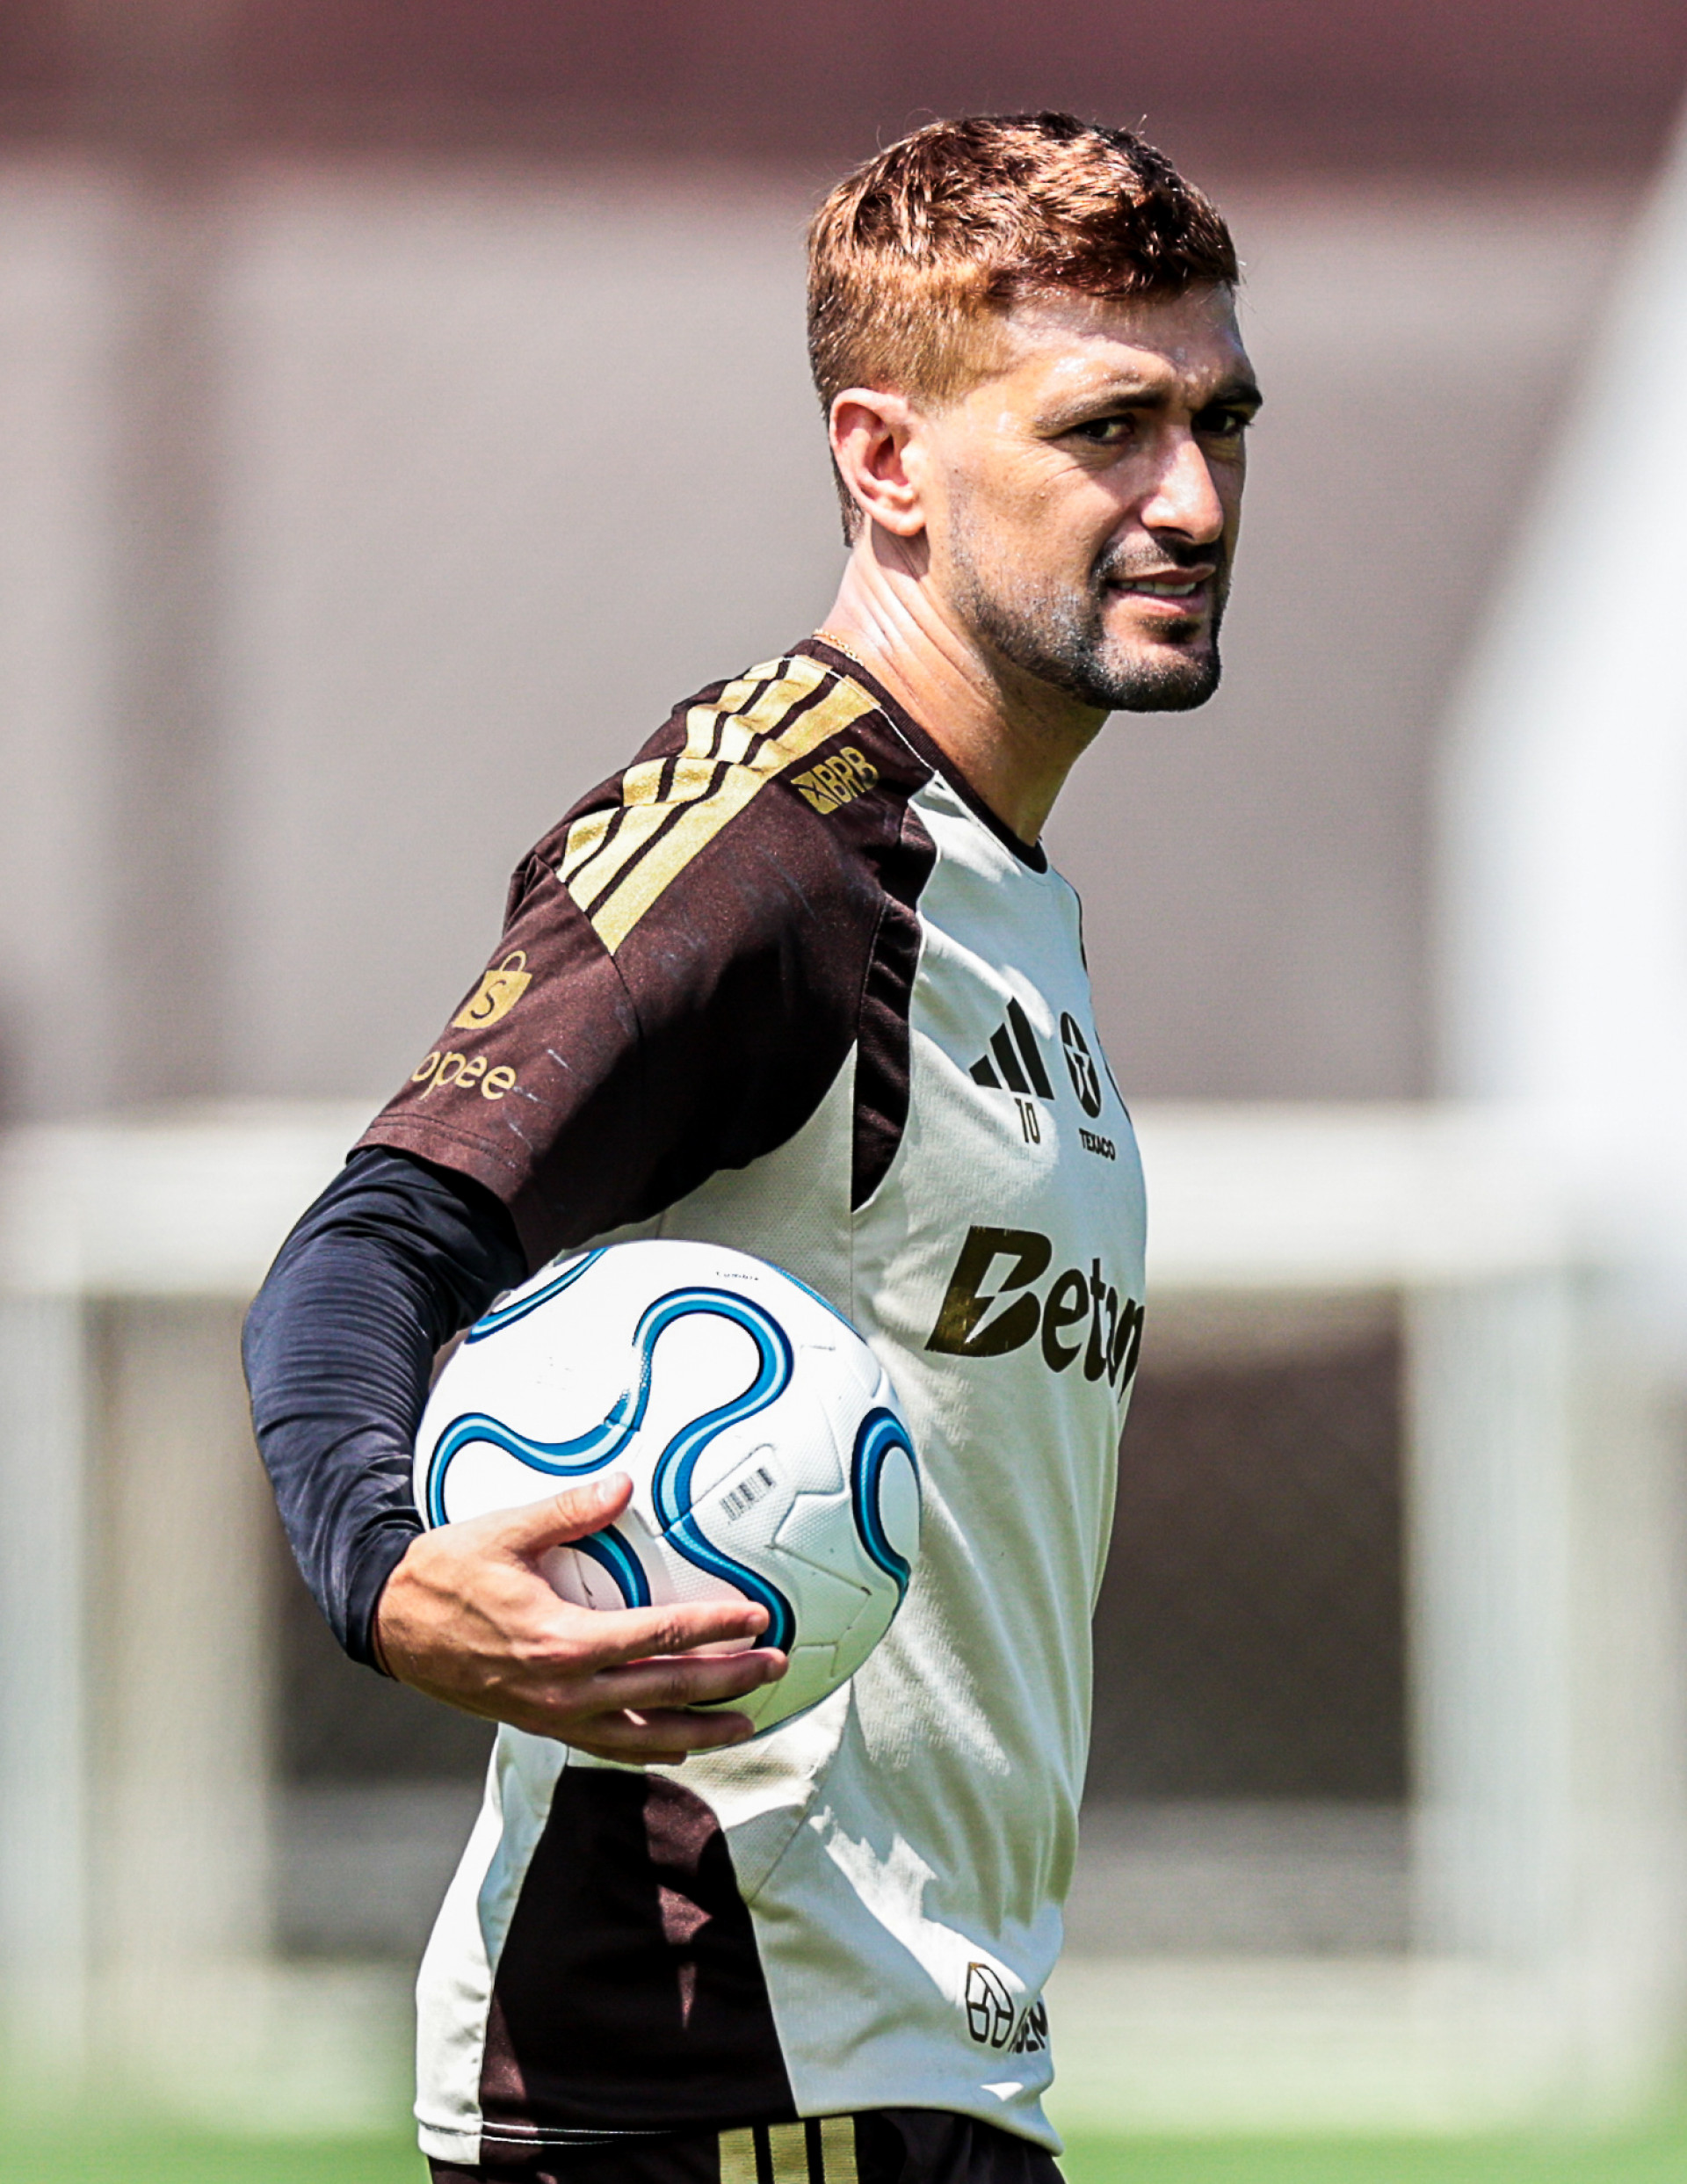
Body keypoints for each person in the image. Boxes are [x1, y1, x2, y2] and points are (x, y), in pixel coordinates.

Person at [244, 110, 1257, 2184]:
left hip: (911, 2066)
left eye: (1225, 421)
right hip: (702, 2066)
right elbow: (372, 1242)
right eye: (1113, 428)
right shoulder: (775, 847)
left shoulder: (995, 885)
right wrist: (391, 1572)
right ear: (886, 460)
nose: (1198, 496)